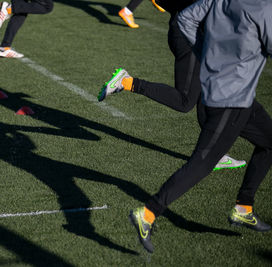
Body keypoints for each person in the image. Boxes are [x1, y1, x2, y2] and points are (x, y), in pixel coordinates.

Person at [127, 0, 272, 253]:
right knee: (203, 163)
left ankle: (243, 207)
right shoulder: (264, 8)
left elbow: (185, 19)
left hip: (227, 91)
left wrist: (210, 58)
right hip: (232, 100)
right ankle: (148, 213)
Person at [99, 0, 245, 171]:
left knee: (207, 94)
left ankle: (214, 153)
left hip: (193, 34)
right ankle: (127, 82)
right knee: (184, 101)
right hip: (189, 35)